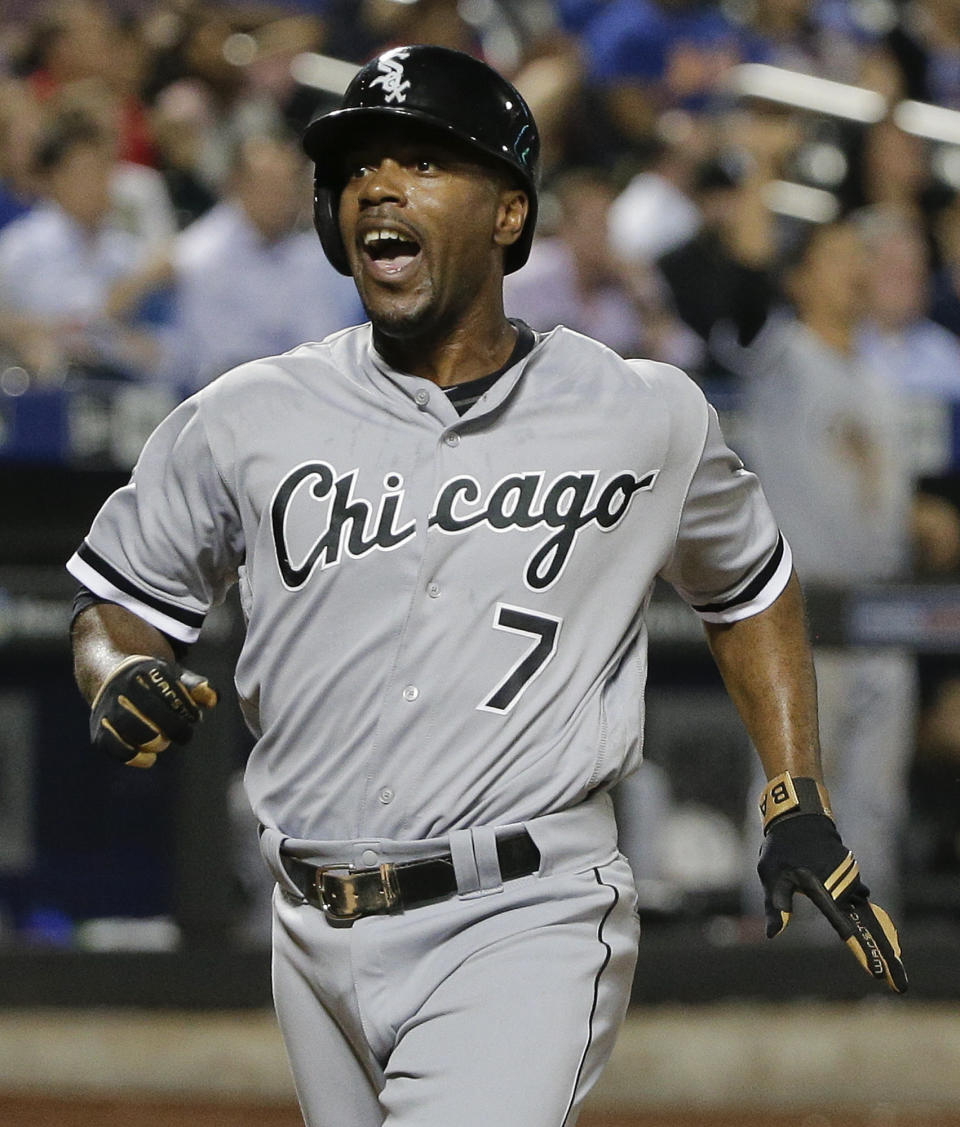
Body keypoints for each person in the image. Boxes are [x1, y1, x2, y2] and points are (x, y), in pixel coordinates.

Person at [68, 45, 907, 1127]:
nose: (379, 185)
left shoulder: (638, 412)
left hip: (524, 911)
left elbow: (748, 581)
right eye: (361, 165)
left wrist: (796, 790)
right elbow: (117, 593)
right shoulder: (247, 416)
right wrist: (116, 665)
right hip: (308, 924)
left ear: (510, 214)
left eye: (422, 161)